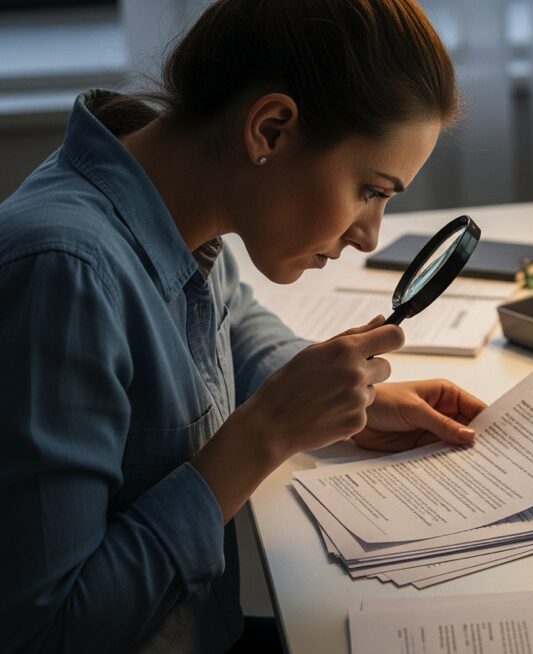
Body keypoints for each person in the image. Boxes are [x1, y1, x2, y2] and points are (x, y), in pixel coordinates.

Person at [0, 1, 486, 651]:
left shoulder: (169, 200)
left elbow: (227, 322)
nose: (369, 236)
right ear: (271, 130)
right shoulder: (66, 274)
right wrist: (268, 431)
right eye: (371, 190)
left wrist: (342, 395)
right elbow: (47, 632)